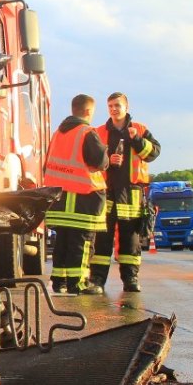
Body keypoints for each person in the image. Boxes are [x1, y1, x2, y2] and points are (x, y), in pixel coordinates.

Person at [89, 92, 160, 293]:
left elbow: (154, 153)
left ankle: (131, 280)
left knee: (131, 241)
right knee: (102, 240)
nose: (114, 109)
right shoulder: (100, 132)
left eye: (117, 105)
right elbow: (91, 160)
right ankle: (97, 281)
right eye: (110, 105)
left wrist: (137, 140)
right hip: (107, 193)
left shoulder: (139, 129)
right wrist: (108, 161)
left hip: (131, 195)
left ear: (126, 107)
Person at [44, 94, 109, 295]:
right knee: (81, 242)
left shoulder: (58, 133)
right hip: (83, 199)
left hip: (59, 199)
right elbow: (100, 162)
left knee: (62, 241)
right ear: (88, 111)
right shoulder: (87, 132)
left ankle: (59, 281)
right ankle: (78, 282)